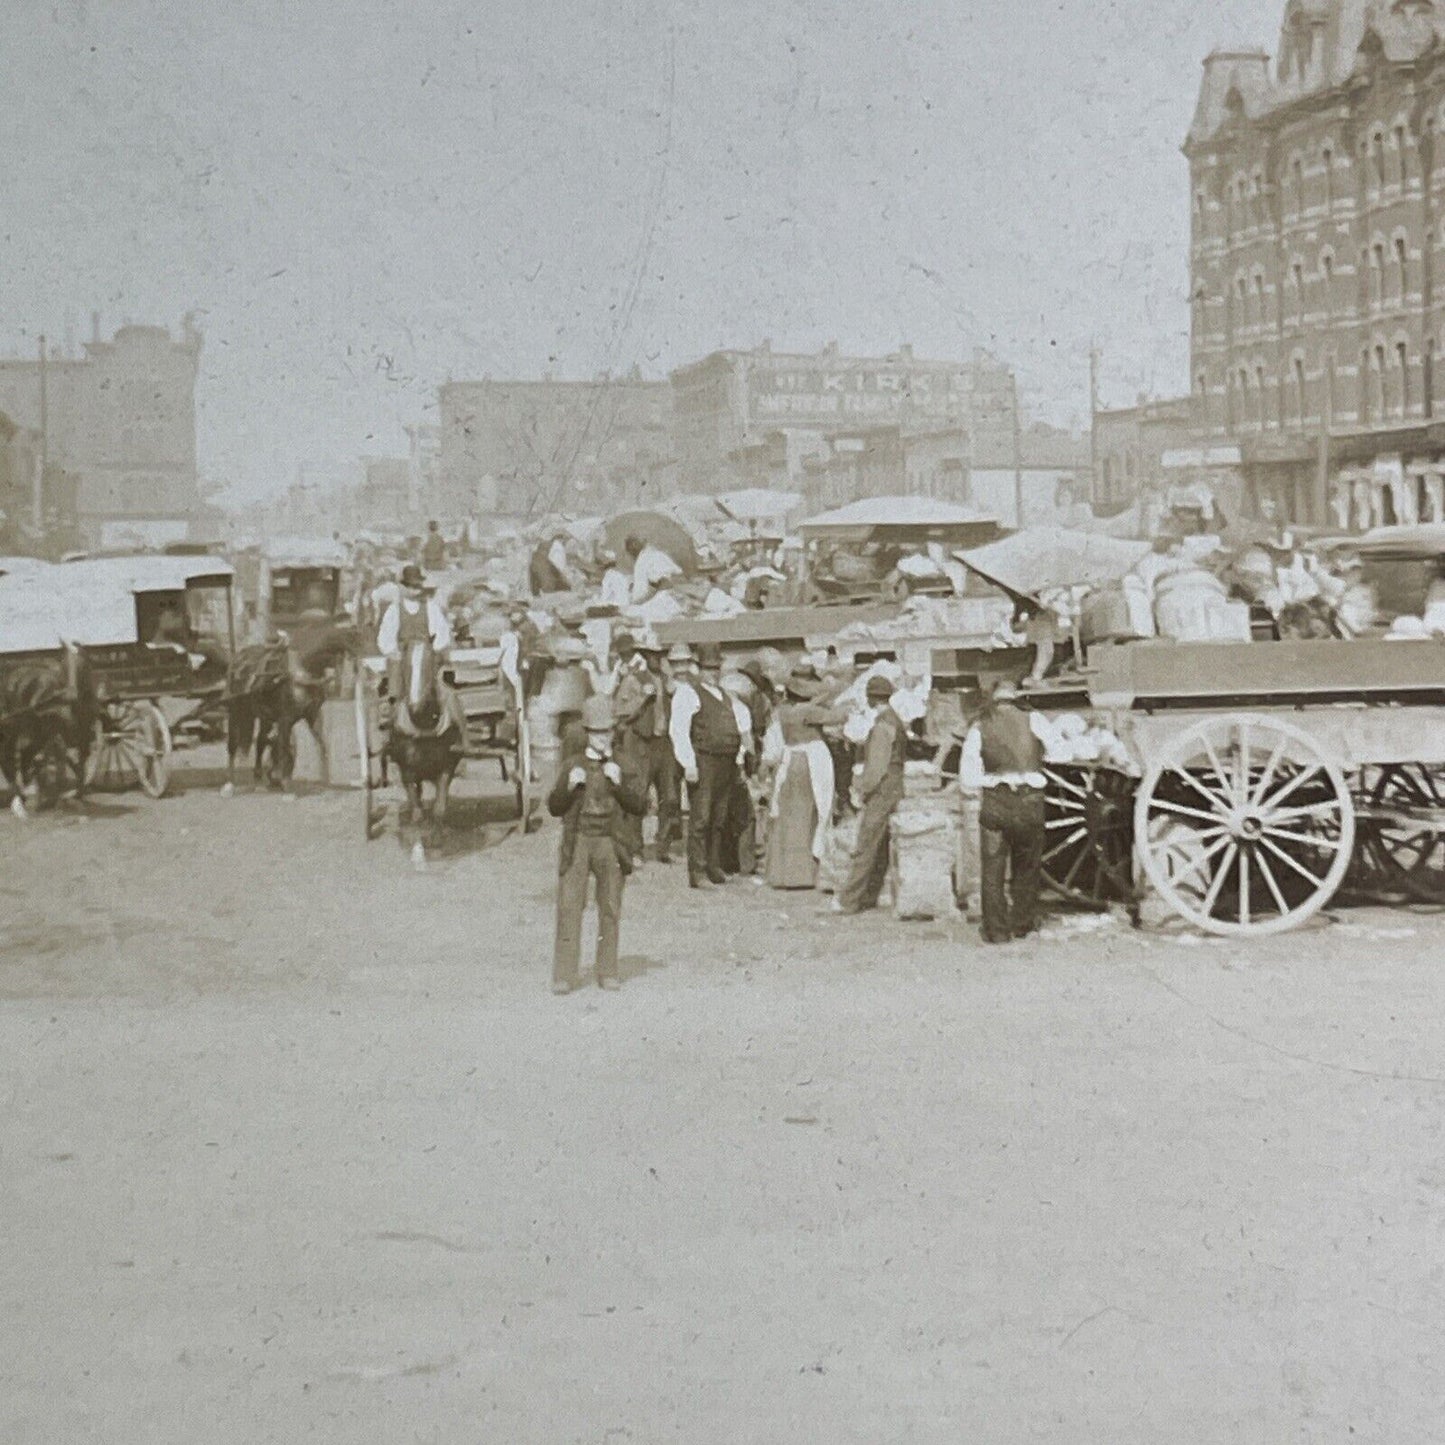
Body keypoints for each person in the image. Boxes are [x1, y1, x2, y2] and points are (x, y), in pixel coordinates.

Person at [548, 695, 646, 994]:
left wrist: (619, 784)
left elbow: (640, 805)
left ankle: (608, 970)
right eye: (597, 732)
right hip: (578, 841)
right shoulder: (572, 764)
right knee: (569, 906)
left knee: (611, 906)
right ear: (587, 733)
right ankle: (564, 975)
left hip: (610, 843)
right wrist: (568, 788)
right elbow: (554, 807)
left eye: (607, 732)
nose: (604, 738)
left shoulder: (624, 764)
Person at [958, 677, 1053, 944]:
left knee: (992, 870)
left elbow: (967, 777)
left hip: (996, 803)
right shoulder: (1034, 719)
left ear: (993, 698)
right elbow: (1062, 752)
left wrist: (985, 784)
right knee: (1027, 866)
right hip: (1029, 801)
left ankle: (997, 931)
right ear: (1015, 697)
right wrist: (1036, 761)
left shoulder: (979, 726)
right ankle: (1022, 924)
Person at [669, 642, 751, 888]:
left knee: (719, 817)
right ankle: (698, 872)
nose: (712, 673)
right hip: (704, 761)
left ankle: (714, 866)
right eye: (707, 669)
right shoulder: (688, 693)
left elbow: (737, 728)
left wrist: (738, 760)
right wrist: (688, 764)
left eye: (716, 668)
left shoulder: (725, 695)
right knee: (701, 818)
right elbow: (679, 731)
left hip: (726, 762)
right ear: (697, 668)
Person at [762, 664, 851, 889]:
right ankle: (804, 874)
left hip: (790, 760)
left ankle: (782, 873)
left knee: (788, 815)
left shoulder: (782, 711)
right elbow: (838, 717)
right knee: (812, 812)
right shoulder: (809, 712)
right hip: (810, 760)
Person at [836, 676, 908, 914]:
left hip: (882, 789)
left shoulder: (881, 726)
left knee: (866, 844)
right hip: (896, 785)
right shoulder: (895, 720)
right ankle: (870, 895)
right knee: (882, 845)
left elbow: (876, 767)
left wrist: (862, 790)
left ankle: (849, 901)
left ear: (870, 698)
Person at [613, 633, 679, 863]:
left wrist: (670, 681)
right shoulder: (634, 680)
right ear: (645, 656)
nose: (656, 660)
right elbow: (619, 712)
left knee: (670, 797)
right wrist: (641, 699)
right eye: (652, 655)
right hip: (641, 742)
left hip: (664, 742)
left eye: (660, 656)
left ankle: (663, 847)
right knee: (638, 795)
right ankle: (635, 849)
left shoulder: (667, 680)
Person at [377, 564, 454, 709]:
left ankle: (441, 702)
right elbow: (386, 636)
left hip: (426, 650)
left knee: (438, 672)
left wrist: (436, 648)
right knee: (395, 667)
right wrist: (393, 651)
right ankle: (393, 703)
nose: (413, 590)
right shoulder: (394, 610)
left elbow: (442, 632)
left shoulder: (430, 607)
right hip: (403, 652)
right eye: (409, 586)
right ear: (403, 587)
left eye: (416, 586)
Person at [628, 534, 682, 604]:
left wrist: (640, 601)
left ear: (634, 544)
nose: (630, 554)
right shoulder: (646, 557)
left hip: (662, 598)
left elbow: (664, 583)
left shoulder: (650, 557)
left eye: (630, 549)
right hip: (657, 597)